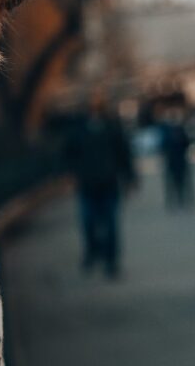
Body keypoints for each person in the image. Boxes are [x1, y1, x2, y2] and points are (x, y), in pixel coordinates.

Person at [64, 92, 136, 279]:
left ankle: (111, 262)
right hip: (87, 185)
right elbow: (68, 153)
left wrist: (129, 178)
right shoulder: (78, 128)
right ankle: (92, 252)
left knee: (111, 224)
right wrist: (71, 175)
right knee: (88, 222)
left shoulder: (112, 126)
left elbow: (124, 152)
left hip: (109, 183)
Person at [156, 99, 194, 209]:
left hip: (179, 159)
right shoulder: (166, 129)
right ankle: (174, 200)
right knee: (173, 182)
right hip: (173, 160)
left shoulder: (178, 129)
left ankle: (183, 198)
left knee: (182, 181)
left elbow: (186, 142)